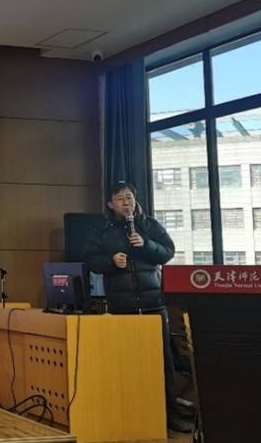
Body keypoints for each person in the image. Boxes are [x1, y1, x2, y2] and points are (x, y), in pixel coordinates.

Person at [83, 181, 193, 433]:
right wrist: (111, 261)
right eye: (120, 199)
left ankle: (168, 413)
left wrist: (146, 245)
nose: (126, 203)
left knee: (163, 362)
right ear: (110, 204)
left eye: (129, 198)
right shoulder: (102, 230)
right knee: (128, 363)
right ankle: (133, 412)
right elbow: (90, 260)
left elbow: (168, 252)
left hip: (153, 305)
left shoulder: (149, 225)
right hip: (122, 307)